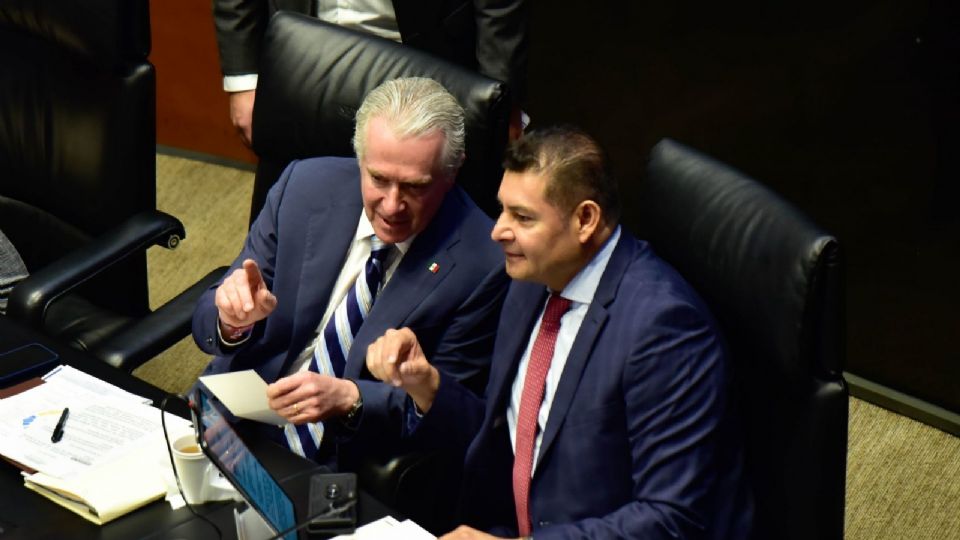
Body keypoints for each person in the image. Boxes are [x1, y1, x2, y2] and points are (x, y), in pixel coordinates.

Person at [366, 126, 754, 539]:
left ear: (585, 219)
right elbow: (513, 434)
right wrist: (427, 385)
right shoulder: (533, 277)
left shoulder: (665, 331)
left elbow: (671, 518)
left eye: (523, 217)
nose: (498, 231)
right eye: (502, 210)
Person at [192, 77, 508, 468]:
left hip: (339, 456)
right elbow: (208, 318)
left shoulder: (484, 263)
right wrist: (231, 321)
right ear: (360, 159)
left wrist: (351, 398)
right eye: (378, 179)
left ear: (452, 171)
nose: (392, 205)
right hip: (230, 416)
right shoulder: (303, 186)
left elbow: (455, 415)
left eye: (414, 187)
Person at [213, 0, 528, 146]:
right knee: (295, 221)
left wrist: (498, 97)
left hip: (424, 57)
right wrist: (245, 79)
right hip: (303, 56)